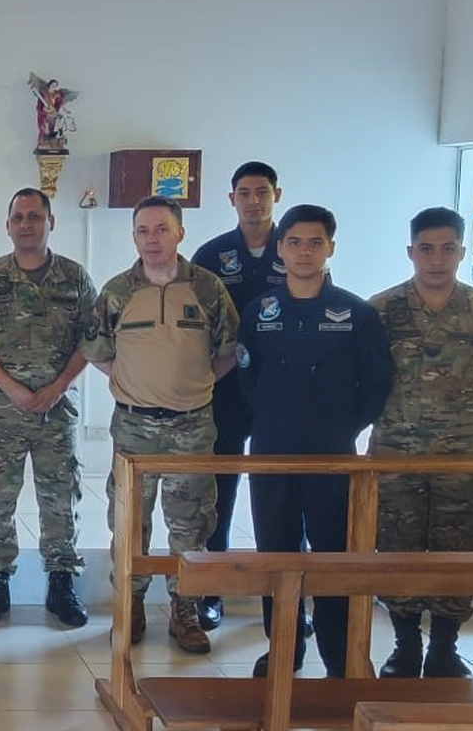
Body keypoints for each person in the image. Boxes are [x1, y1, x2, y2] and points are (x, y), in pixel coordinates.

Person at [238, 205, 393, 679]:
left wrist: (344, 427)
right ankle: (284, 646)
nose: (304, 252)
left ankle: (337, 654)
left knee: (331, 555)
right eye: (294, 242)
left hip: (333, 455)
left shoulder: (356, 313)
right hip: (271, 452)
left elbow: (376, 383)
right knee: (276, 553)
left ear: (330, 247)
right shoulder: (260, 311)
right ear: (281, 248)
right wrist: (270, 421)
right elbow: (247, 376)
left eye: (314, 242)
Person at [83, 196, 239, 653]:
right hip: (133, 428)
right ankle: (129, 607)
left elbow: (228, 349)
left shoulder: (208, 289)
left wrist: (199, 381)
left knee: (190, 526)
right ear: (134, 237)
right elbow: (97, 351)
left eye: (161, 229)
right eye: (143, 231)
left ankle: (184, 610)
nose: (152, 239)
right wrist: (132, 382)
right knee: (130, 523)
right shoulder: (117, 291)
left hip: (192, 427)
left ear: (179, 233)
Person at [369, 208, 473, 678]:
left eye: (447, 248)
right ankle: (405, 645)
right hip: (395, 453)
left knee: (461, 545)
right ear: (411, 252)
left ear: (462, 251)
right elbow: (364, 381)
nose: (436, 259)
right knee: (395, 547)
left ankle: (446, 648)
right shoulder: (381, 312)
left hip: (462, 455)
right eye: (426, 249)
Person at [0, 187, 96, 630]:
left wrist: (58, 386)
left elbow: (90, 341)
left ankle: (61, 583)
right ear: (8, 225)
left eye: (34, 217)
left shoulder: (74, 278)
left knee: (60, 499)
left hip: (56, 411)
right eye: (18, 217)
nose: (26, 224)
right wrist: (10, 387)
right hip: (1, 410)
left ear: (50, 222)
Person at [188, 161, 284, 629]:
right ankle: (212, 589)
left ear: (276, 195)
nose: (253, 201)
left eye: (261, 192)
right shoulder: (212, 253)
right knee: (219, 491)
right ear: (232, 199)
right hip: (225, 387)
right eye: (244, 193)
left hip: (280, 394)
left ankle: (287, 598)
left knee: (280, 494)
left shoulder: (298, 246)